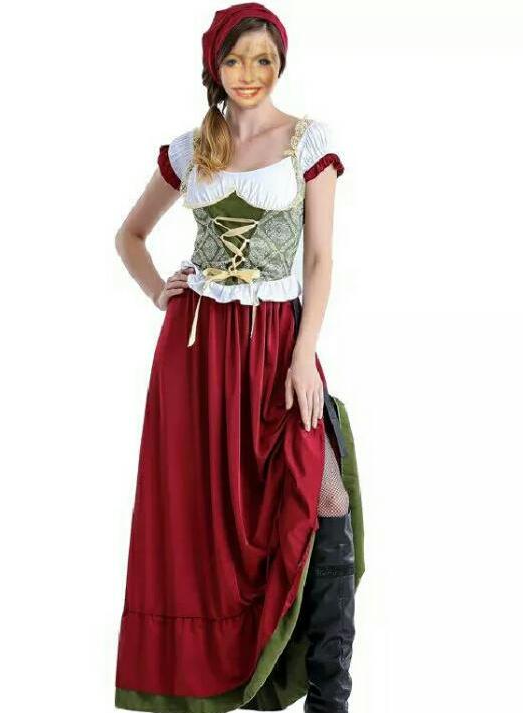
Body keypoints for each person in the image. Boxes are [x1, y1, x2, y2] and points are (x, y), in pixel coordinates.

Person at [114, 3, 358, 712]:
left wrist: (304, 356)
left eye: (263, 60)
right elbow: (130, 235)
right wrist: (160, 290)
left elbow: (320, 259)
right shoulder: (191, 149)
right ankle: (214, 680)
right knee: (203, 521)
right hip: (196, 354)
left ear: (280, 65)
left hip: (278, 343)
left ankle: (330, 699)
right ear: (213, 67)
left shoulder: (308, 141)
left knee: (325, 495)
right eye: (235, 59)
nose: (249, 73)